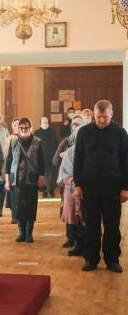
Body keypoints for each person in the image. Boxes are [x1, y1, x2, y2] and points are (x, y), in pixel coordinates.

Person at [74, 100, 128, 273]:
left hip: (113, 185)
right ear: (94, 115)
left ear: (111, 115)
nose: (101, 121)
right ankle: (91, 258)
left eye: (105, 117)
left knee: (112, 225)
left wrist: (125, 187)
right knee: (91, 224)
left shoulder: (120, 133)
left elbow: (126, 161)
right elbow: (78, 160)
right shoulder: (83, 132)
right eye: (98, 117)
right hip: (89, 186)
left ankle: (112, 259)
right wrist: (77, 185)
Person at [5, 118, 45, 243]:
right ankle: (21, 233)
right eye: (21, 128)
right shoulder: (13, 142)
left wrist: (41, 178)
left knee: (31, 207)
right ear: (18, 129)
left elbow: (42, 162)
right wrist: (7, 180)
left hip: (32, 180)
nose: (23, 130)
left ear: (30, 128)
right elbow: (8, 162)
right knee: (18, 208)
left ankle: (29, 233)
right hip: (17, 180)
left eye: (26, 128)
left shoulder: (37, 142)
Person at [53, 117, 85, 247]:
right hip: (70, 188)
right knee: (71, 215)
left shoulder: (92, 150)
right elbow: (62, 171)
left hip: (87, 189)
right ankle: (73, 241)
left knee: (86, 217)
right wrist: (70, 179)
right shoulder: (69, 150)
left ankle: (86, 245)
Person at [34, 117, 58, 198]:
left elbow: (56, 143)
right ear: (40, 123)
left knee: (51, 175)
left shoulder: (53, 132)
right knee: (43, 174)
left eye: (46, 122)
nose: (45, 124)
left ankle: (51, 190)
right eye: (43, 122)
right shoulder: (36, 132)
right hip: (41, 156)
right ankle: (44, 190)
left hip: (51, 155)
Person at [4, 118, 20, 224]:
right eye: (15, 125)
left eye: (19, 125)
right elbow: (7, 155)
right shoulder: (10, 138)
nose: (17, 127)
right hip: (12, 167)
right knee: (12, 193)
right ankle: (14, 215)